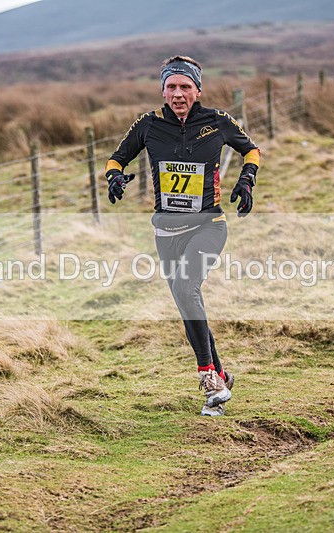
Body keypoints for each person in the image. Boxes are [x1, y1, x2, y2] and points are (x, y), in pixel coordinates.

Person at [104, 55, 261, 416]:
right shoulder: (148, 124)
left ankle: (208, 379)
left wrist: (247, 179)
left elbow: (250, 149)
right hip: (166, 232)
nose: (178, 93)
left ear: (197, 90)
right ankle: (221, 375)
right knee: (188, 305)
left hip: (209, 226)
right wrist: (114, 177)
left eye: (185, 87)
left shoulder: (218, 121)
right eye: (171, 87)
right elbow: (117, 158)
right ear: (162, 91)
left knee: (188, 289)